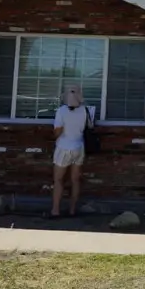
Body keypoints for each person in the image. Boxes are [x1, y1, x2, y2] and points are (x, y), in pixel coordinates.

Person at [50, 84, 90, 218]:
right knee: (75, 180)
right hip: (79, 147)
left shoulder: (61, 111)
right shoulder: (85, 110)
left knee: (58, 180)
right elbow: (88, 127)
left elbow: (57, 131)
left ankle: (55, 210)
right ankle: (72, 210)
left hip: (63, 147)